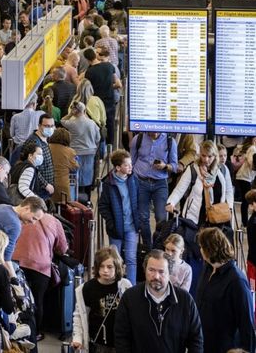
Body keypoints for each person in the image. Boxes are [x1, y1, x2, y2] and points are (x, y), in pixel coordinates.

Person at [113, 251, 203, 353]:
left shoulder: (185, 300)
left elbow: (196, 340)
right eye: (151, 270)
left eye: (161, 272)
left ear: (170, 273)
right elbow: (121, 337)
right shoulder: (130, 298)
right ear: (145, 270)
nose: (156, 276)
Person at [12, 204, 67, 341]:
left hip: (16, 262)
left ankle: (17, 328)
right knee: (38, 300)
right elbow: (62, 248)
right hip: (40, 265)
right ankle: (35, 333)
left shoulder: (21, 218)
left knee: (18, 298)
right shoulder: (54, 221)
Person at [194, 227, 255, 353]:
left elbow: (246, 325)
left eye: (201, 247)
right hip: (202, 342)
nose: (199, 250)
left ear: (209, 249)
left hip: (224, 347)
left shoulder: (237, 281)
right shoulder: (207, 268)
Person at [71, 247, 132, 353]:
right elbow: (79, 316)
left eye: (109, 267)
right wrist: (77, 338)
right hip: (97, 343)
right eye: (102, 266)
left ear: (117, 267)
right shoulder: (87, 288)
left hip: (120, 343)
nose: (105, 270)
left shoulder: (125, 286)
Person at [166, 140, 233, 233]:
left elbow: (229, 190)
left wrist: (229, 207)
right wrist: (171, 203)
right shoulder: (192, 169)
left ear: (215, 156)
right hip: (194, 217)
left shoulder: (222, 169)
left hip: (218, 216)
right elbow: (179, 189)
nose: (206, 160)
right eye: (203, 155)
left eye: (210, 156)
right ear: (200, 154)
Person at [98, 150, 142, 282]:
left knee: (131, 259)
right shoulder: (108, 184)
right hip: (116, 228)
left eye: (130, 164)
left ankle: (131, 289)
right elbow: (103, 206)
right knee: (116, 260)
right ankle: (116, 287)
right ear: (118, 167)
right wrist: (111, 223)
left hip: (132, 226)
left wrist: (139, 219)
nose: (130, 167)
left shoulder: (133, 179)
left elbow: (139, 200)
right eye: (127, 165)